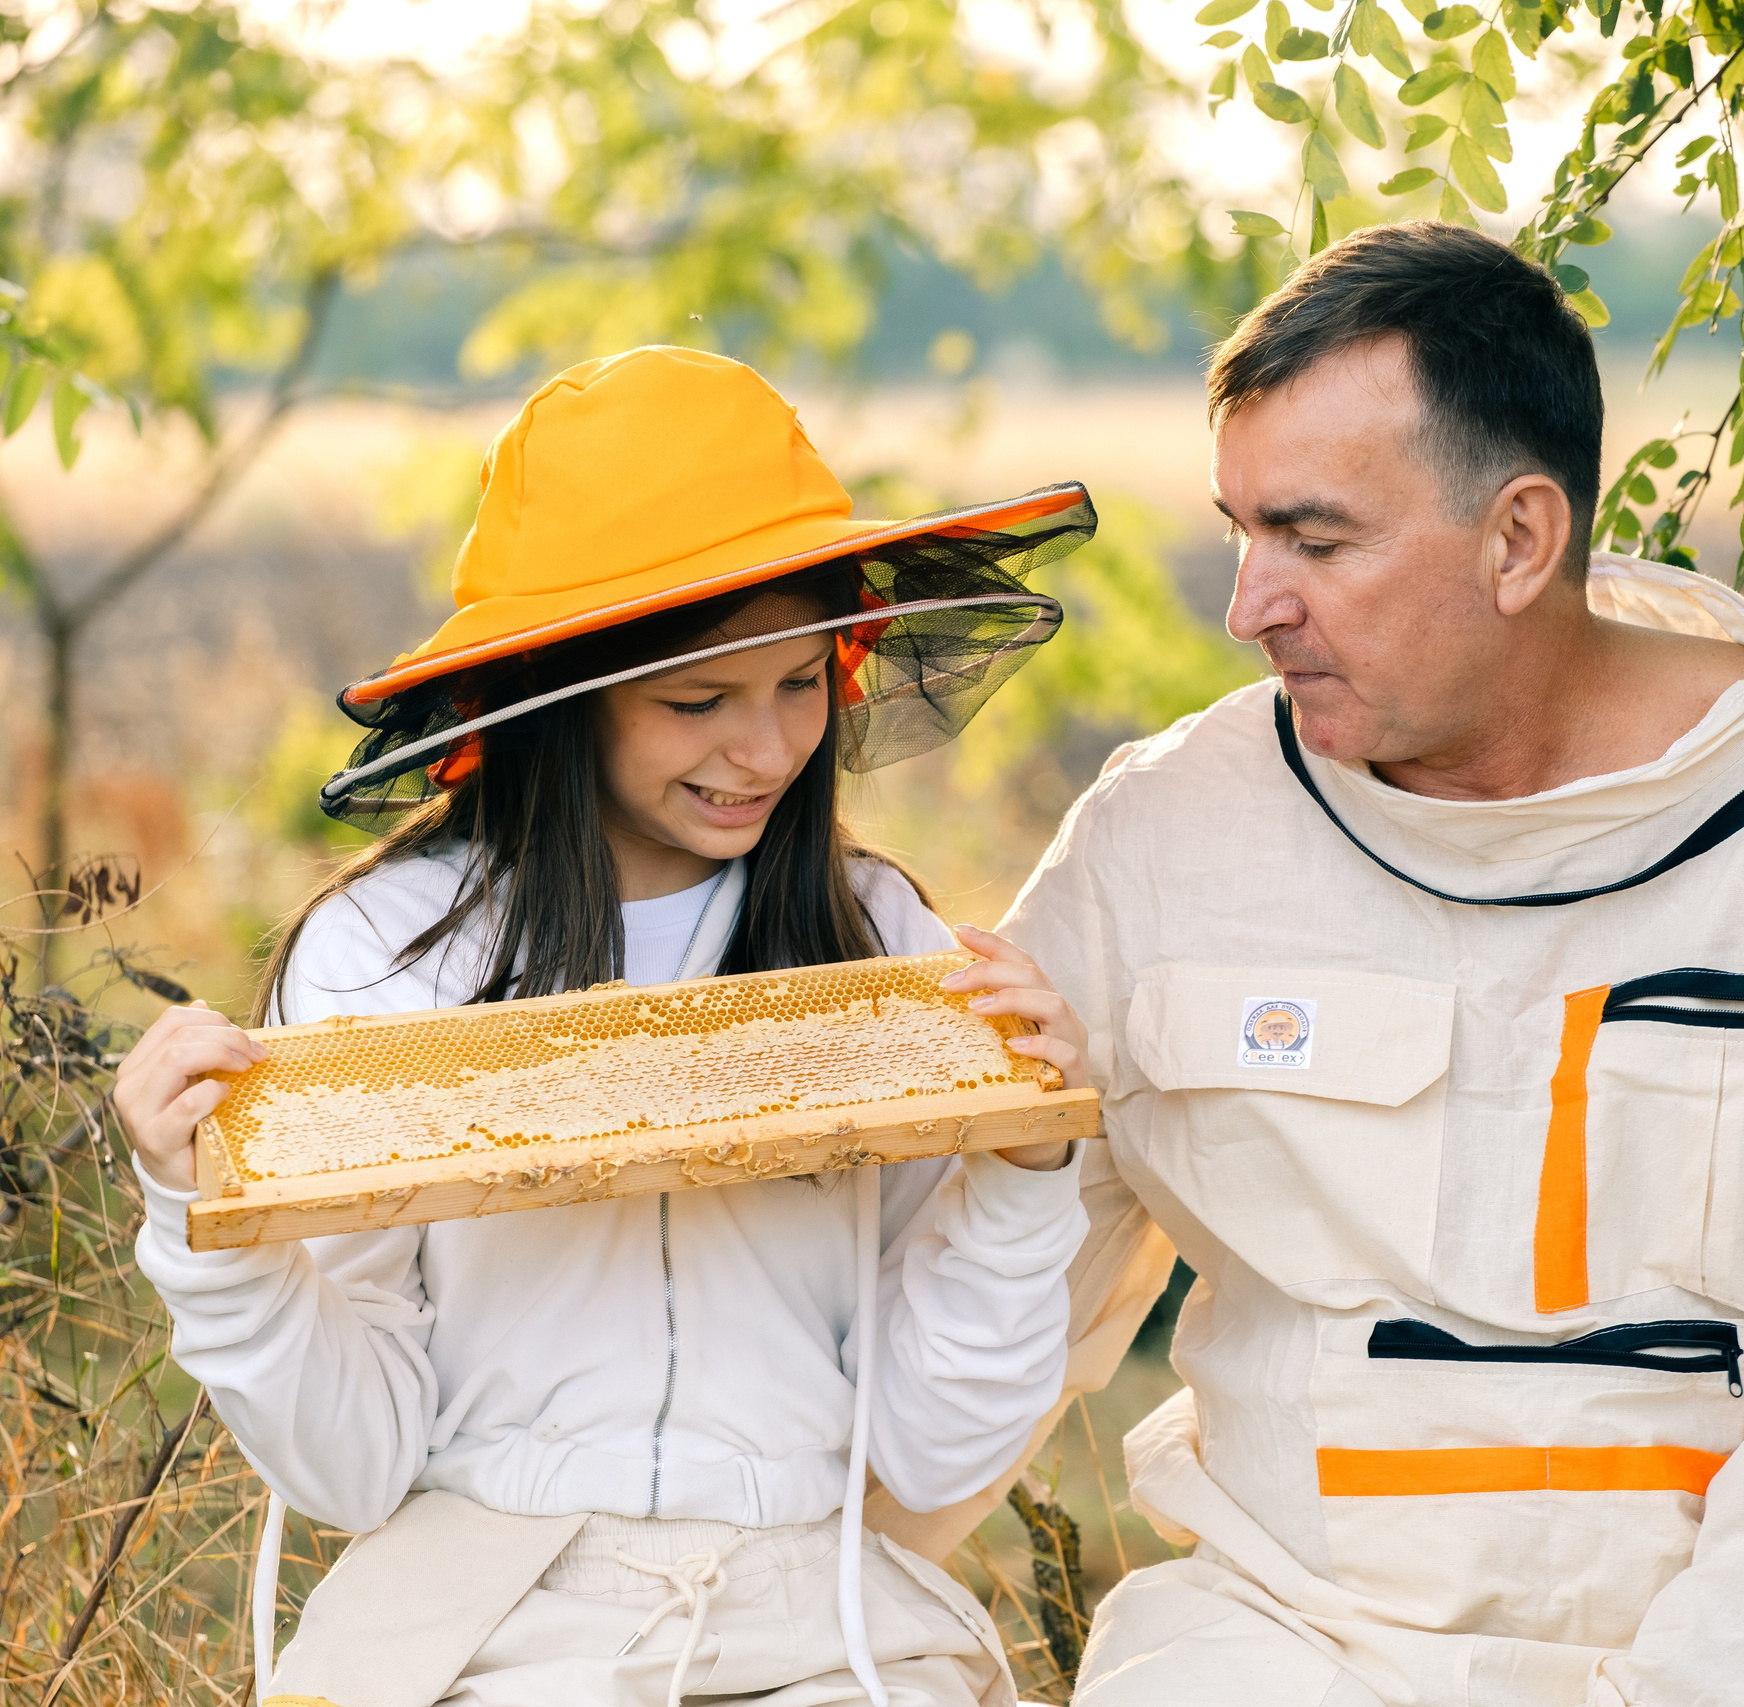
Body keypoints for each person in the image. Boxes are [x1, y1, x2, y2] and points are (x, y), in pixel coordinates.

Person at [1000, 221, 1744, 1706]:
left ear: (1518, 540)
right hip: (1269, 1646)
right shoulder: (1164, 831)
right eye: (1243, 532)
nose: (1249, 604)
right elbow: (980, 1289)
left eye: (1313, 541)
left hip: (1728, 1665)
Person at [110, 345, 1102, 1707]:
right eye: (699, 701)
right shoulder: (388, 952)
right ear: (563, 700)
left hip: (818, 1617)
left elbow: (936, 1453)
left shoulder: (881, 936)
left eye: (802, 684)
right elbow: (352, 1465)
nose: (766, 750)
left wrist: (1024, 1168)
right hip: (479, 1613)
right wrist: (201, 1227)